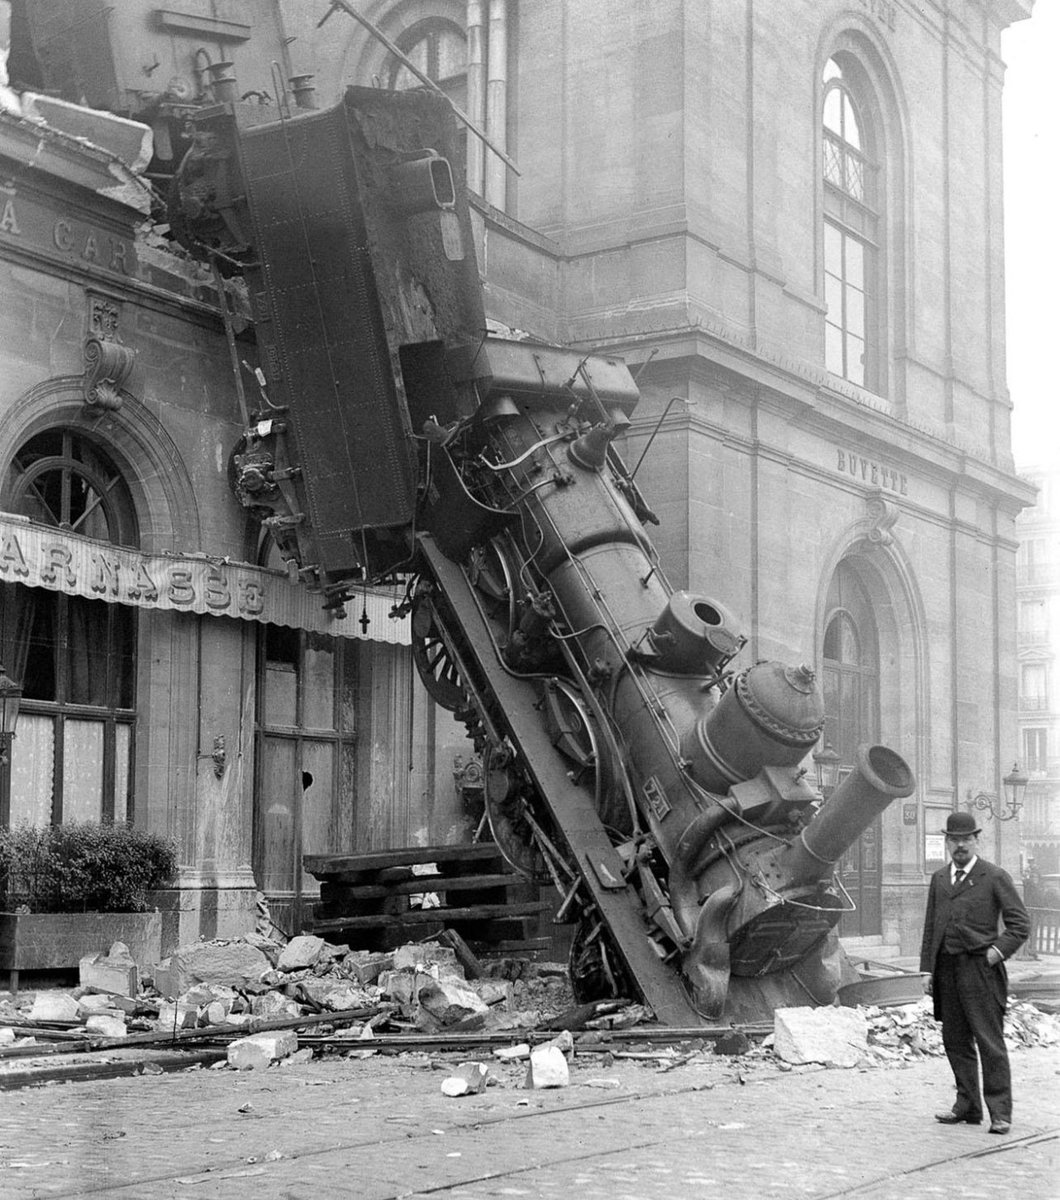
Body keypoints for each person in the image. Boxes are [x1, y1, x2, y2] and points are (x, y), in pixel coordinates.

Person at [919, 811, 1029, 1134]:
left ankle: (1000, 1112)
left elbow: (1020, 924)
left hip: (981, 969)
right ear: (947, 843)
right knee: (954, 1040)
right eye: (954, 839)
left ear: (976, 840)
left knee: (988, 1041)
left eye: (966, 839)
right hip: (946, 970)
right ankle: (967, 1105)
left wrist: (996, 953)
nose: (960, 845)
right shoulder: (940, 879)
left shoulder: (994, 877)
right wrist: (926, 968)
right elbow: (930, 927)